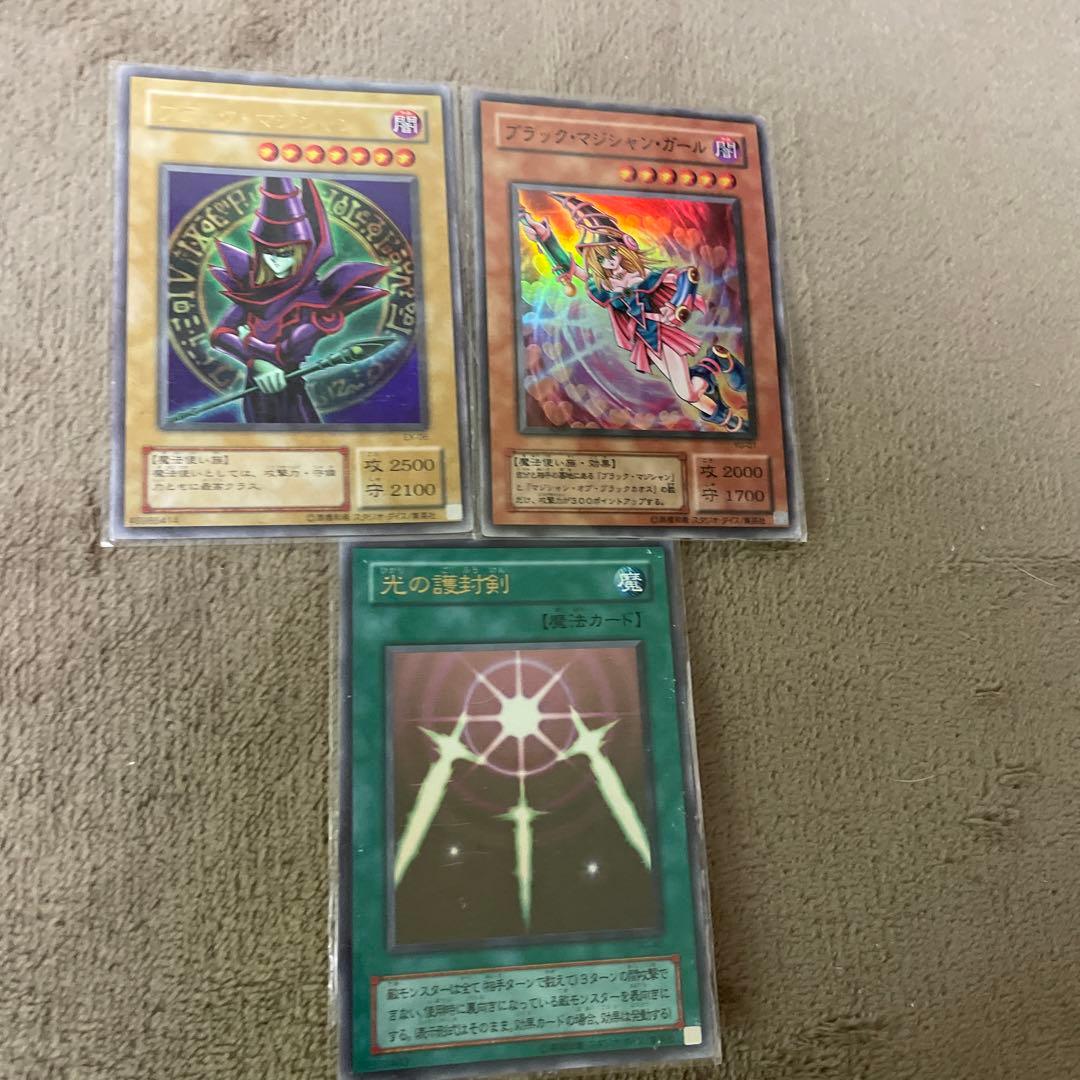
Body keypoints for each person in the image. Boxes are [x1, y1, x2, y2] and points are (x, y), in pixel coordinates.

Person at [520, 194, 748, 431]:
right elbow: (571, 269)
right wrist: (546, 239)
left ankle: (716, 362)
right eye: (601, 258)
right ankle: (734, 422)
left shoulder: (641, 276)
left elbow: (686, 276)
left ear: (624, 246)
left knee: (687, 392)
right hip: (644, 341)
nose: (610, 262)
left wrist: (676, 306)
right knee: (689, 391)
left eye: (612, 253)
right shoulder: (604, 285)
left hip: (662, 333)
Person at [208, 176, 389, 423]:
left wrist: (247, 341)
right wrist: (257, 362)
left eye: (285, 254)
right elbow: (220, 334)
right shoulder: (254, 291)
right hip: (257, 383)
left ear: (303, 252)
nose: (275, 261)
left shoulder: (318, 299)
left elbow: (288, 352)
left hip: (287, 383)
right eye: (268, 252)